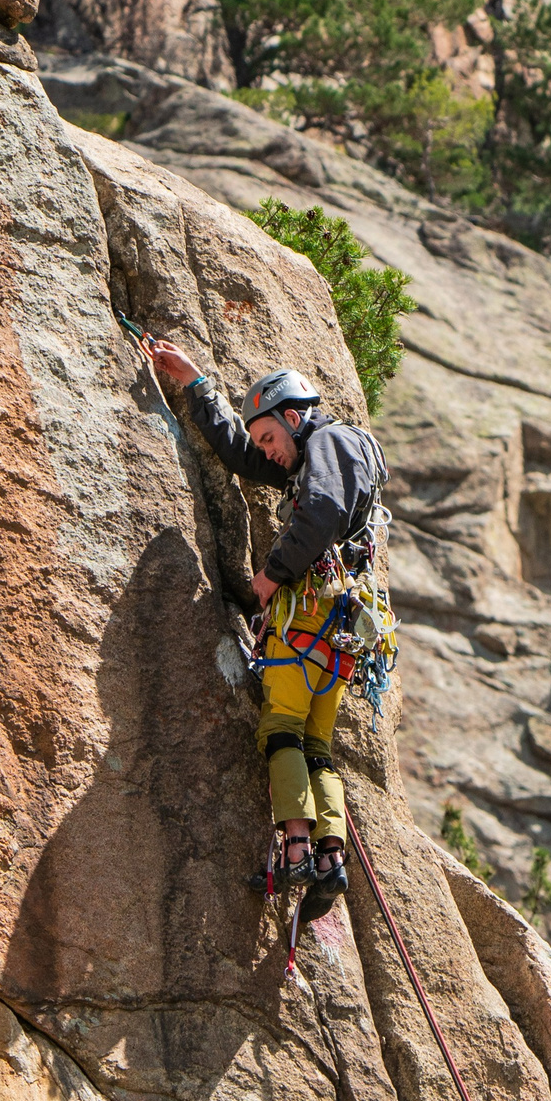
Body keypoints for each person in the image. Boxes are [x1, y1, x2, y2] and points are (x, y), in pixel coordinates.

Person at [144, 337, 389, 918]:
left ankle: (296, 850)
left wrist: (268, 579)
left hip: (307, 615)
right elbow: (243, 458)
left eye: (271, 437)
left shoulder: (329, 442)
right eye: (263, 442)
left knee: (280, 728)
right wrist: (197, 386)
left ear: (294, 419)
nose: (268, 452)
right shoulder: (330, 455)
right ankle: (330, 859)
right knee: (317, 744)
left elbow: (320, 513)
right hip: (343, 632)